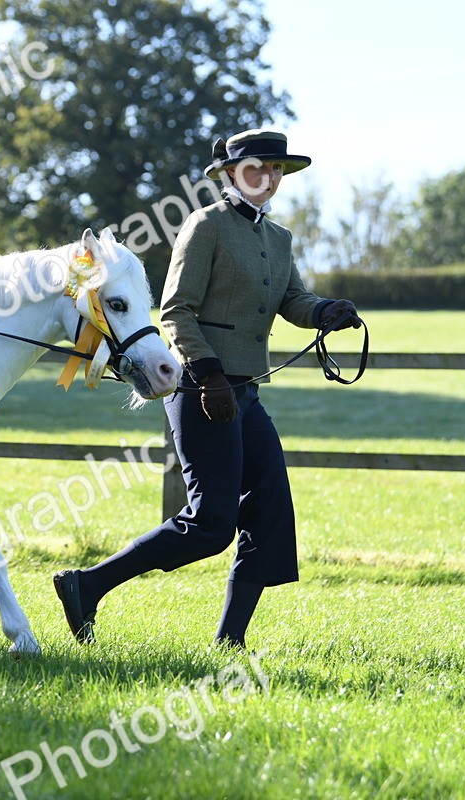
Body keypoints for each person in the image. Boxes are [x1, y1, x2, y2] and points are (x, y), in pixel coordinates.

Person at [53, 129, 360, 648]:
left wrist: (325, 311)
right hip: (201, 389)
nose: (269, 178)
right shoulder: (205, 226)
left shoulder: (278, 237)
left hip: (245, 395)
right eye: (258, 168)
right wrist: (210, 374)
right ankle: (87, 584)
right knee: (211, 524)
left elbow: (293, 299)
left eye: (277, 170)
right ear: (232, 174)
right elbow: (176, 310)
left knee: (269, 510)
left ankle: (230, 643)